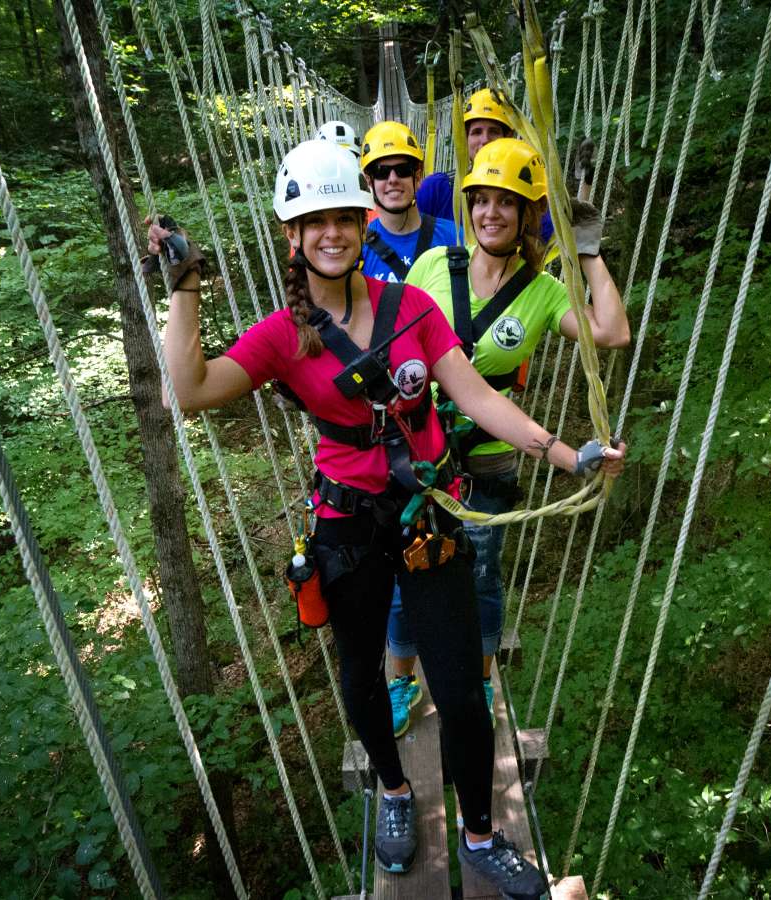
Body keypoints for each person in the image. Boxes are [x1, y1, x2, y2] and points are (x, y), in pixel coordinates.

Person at [152, 139, 624, 894]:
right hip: (346, 528)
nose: (332, 233)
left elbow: (475, 396)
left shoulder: (414, 307)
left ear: (362, 223)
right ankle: (396, 793)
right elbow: (194, 388)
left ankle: (478, 832)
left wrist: (566, 455)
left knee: (463, 688)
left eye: (343, 217)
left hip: (425, 516)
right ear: (294, 237)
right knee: (361, 678)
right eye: (315, 223)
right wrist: (185, 286)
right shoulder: (284, 336)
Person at [385, 138, 629, 735]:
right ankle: (400, 681)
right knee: (405, 571)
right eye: (482, 200)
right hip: (421, 454)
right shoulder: (435, 266)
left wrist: (589, 253)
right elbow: (397, 344)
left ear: (527, 215)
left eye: (506, 202)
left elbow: (611, 332)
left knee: (482, 570)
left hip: (492, 459)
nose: (490, 212)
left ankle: (481, 677)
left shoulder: (543, 292)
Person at [416, 88, 556, 243]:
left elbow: (556, 240)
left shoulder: (525, 194)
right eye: (476, 132)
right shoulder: (438, 190)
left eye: (494, 132)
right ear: (465, 139)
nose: (485, 140)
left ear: (508, 138)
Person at [358, 120, 457, 282]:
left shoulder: (455, 238)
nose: (393, 179)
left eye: (402, 170)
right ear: (369, 181)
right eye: (381, 172)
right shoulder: (358, 250)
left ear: (417, 176)